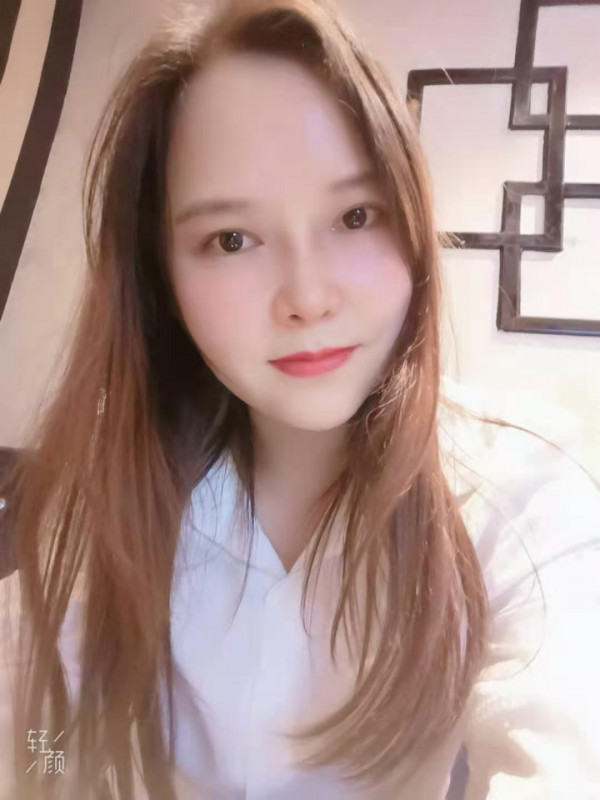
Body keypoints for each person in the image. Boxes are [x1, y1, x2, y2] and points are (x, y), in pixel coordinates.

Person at [1, 0, 599, 798]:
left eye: (354, 216)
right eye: (232, 239)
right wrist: (49, 780)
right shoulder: (107, 485)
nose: (308, 298)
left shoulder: (520, 496)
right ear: (161, 275)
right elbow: (36, 723)